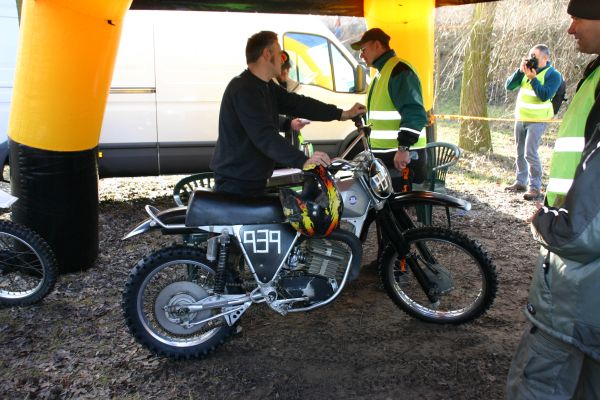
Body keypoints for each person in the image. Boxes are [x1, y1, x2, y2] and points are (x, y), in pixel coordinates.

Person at [505, 1, 600, 398]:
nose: (570, 29)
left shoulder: (558, 75)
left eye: (578, 17)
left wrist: (548, 223)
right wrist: (521, 72)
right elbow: (511, 87)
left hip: (576, 276)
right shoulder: (594, 74)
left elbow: (583, 226)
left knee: (538, 382)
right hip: (583, 278)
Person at [210, 31, 365, 196]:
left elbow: (299, 104)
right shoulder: (244, 88)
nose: (283, 60)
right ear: (267, 54)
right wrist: (303, 161)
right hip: (236, 184)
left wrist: (342, 114)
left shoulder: (265, 86)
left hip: (251, 180)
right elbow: (265, 136)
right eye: (280, 54)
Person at [350, 28, 428, 192]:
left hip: (401, 157)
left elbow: (414, 113)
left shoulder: (399, 70)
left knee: (399, 205)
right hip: (389, 157)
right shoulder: (382, 73)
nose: (361, 55)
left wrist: (403, 148)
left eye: (363, 49)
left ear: (377, 45)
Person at [505, 44, 563, 201]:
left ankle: (535, 187)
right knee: (519, 151)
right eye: (530, 56)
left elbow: (544, 95)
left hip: (537, 120)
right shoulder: (527, 70)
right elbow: (509, 86)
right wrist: (519, 71)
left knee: (530, 152)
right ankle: (520, 181)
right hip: (521, 117)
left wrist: (533, 79)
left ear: (545, 58)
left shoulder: (554, 75)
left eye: (535, 57)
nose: (532, 59)